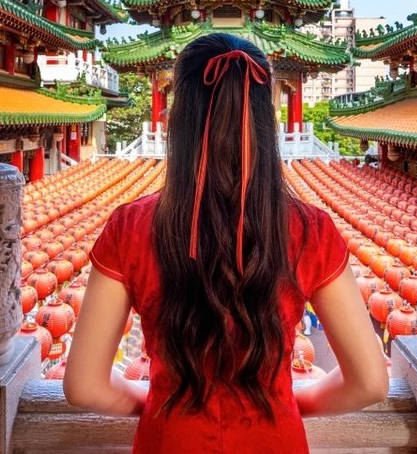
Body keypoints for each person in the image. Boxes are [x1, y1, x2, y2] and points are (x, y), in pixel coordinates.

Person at [64, 33, 388, 453]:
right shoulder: (311, 231)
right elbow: (370, 383)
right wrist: (288, 400)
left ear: (176, 119)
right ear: (265, 120)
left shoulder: (129, 227)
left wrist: (164, 402)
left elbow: (84, 387)